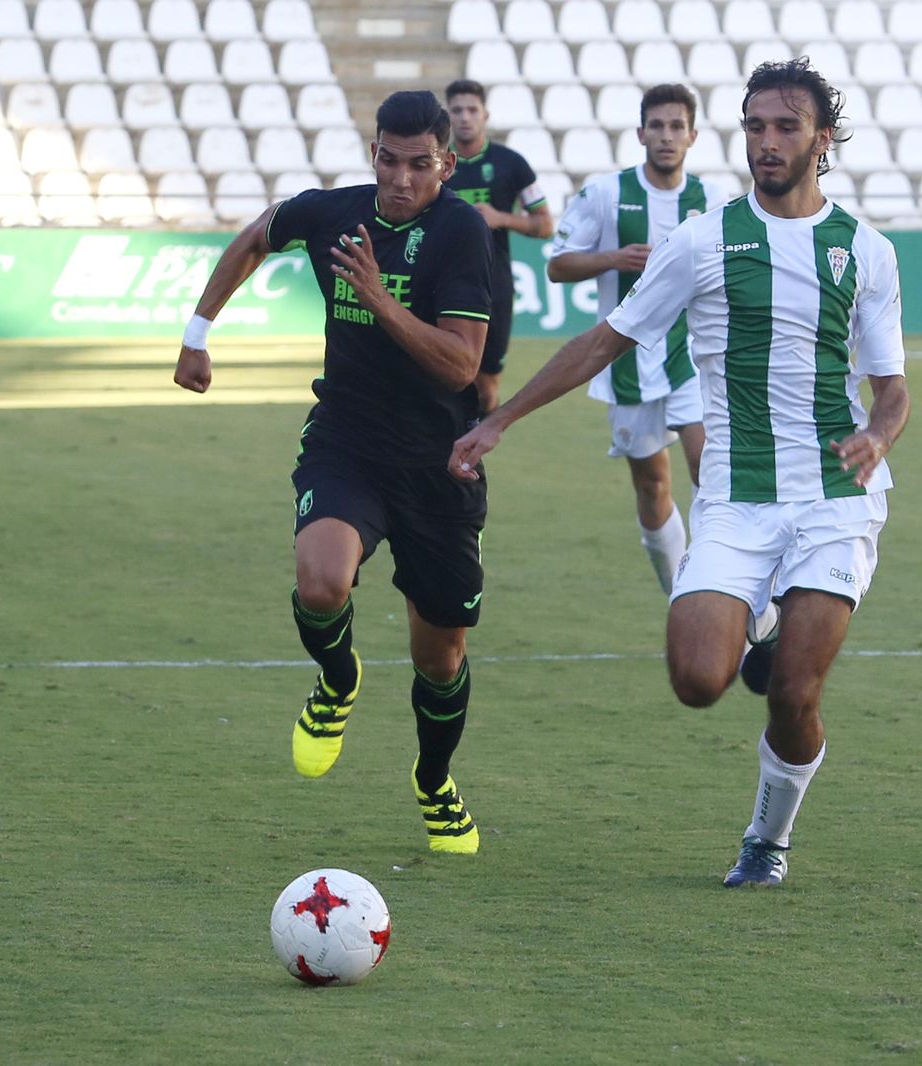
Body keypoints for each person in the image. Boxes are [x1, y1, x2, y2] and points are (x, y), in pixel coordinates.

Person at [449, 60, 911, 886]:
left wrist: (878, 434)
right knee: (698, 679)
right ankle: (757, 626)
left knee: (794, 695)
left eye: (786, 127)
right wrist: (499, 419)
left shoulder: (864, 251)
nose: (767, 142)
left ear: (822, 138)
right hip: (734, 497)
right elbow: (605, 340)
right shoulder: (703, 240)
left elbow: (893, 387)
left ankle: (767, 841)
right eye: (756, 126)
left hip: (836, 498)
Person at [174, 91, 495, 855]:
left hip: (438, 465)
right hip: (346, 440)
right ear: (374, 152)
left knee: (440, 659)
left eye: (420, 165)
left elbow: (460, 366)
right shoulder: (333, 213)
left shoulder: (461, 233)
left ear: (446, 165)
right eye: (389, 159)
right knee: (321, 581)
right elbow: (259, 235)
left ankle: (433, 780)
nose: (401, 178)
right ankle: (338, 677)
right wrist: (197, 332)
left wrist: (379, 300)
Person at [546, 84, 731, 598]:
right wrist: (615, 258)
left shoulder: (712, 203)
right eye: (658, 126)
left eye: (677, 127)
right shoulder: (606, 194)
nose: (667, 136)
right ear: (641, 132)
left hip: (693, 358)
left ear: (692, 135)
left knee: (710, 473)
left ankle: (724, 592)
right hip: (627, 363)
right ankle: (679, 593)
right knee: (653, 487)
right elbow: (558, 266)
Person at [443, 79, 556, 414]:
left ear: (485, 115)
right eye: (457, 110)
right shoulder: (435, 165)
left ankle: (473, 459)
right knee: (444, 378)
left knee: (486, 385)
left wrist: (501, 218)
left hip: (494, 287)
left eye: (472, 110)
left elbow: (545, 224)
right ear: (447, 116)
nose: (465, 117)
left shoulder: (512, 164)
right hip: (442, 285)